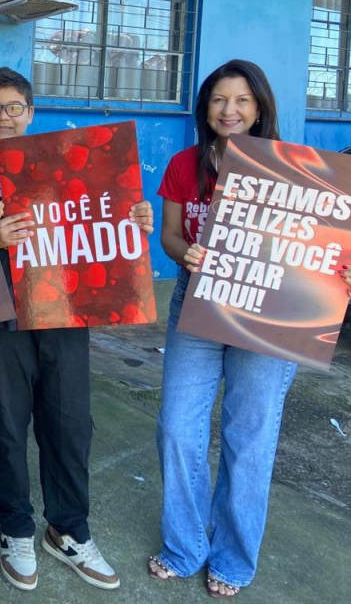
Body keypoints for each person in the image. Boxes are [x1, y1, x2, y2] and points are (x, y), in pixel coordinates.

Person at [148, 59, 350, 599]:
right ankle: (185, 545)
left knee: (249, 437)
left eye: (241, 100)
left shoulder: (297, 171)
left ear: (259, 107)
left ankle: (234, 558)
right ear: (204, 108)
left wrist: (341, 272)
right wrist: (185, 253)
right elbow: (170, 236)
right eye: (218, 99)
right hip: (198, 305)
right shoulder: (185, 164)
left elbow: (323, 251)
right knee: (176, 428)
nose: (229, 110)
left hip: (269, 313)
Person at [0, 67, 154, 592]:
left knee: (70, 424)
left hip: (65, 314)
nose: (3, 117)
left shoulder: (72, 160)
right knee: (6, 425)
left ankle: (68, 529)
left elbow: (101, 216)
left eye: (13, 108)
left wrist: (132, 218)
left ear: (31, 113)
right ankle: (15, 527)